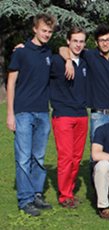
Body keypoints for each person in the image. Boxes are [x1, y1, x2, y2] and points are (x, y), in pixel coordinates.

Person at [6, 13, 57, 217]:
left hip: (43, 112)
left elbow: (64, 51)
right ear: (35, 29)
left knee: (39, 157)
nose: (46, 34)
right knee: (23, 157)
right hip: (23, 112)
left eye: (50, 31)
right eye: (43, 30)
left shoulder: (48, 52)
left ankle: (36, 194)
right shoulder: (21, 52)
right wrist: (10, 114)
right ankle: (25, 199)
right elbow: (10, 83)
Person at [49, 27, 88, 208]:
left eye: (81, 41)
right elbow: (53, 51)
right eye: (75, 41)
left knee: (77, 157)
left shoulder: (86, 61)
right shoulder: (58, 61)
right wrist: (67, 60)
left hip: (81, 115)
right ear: (68, 41)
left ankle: (70, 191)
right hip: (63, 115)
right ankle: (64, 196)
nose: (78, 44)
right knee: (65, 157)